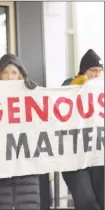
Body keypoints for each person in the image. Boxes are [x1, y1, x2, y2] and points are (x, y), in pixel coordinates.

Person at [0, 54, 47, 210]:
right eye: (6, 72)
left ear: (20, 76)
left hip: (26, 179)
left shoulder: (32, 99)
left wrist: (34, 96)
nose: (10, 77)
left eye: (14, 73)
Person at [61, 49, 104, 210]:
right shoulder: (69, 85)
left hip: (98, 156)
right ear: (83, 71)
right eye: (93, 70)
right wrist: (76, 85)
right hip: (74, 157)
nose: (96, 75)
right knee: (85, 199)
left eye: (100, 71)